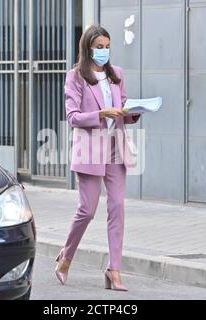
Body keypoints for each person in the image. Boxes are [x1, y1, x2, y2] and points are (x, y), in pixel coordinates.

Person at [56, 25, 141, 291]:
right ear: (88, 48)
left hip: (116, 148)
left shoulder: (117, 75)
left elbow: (123, 108)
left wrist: (134, 112)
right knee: (87, 210)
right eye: (99, 47)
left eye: (107, 46)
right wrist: (101, 114)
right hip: (91, 150)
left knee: (117, 208)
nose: (104, 51)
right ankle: (66, 256)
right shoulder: (75, 77)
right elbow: (73, 117)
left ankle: (114, 270)